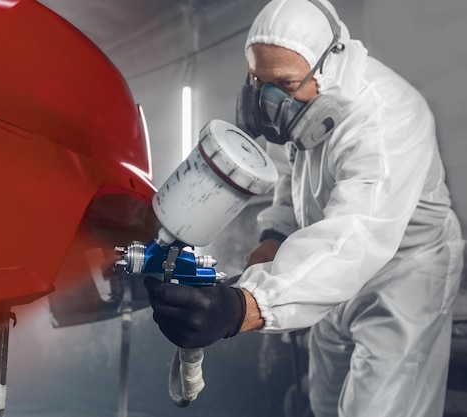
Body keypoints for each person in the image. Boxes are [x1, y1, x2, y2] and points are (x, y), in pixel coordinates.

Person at [144, 0, 465, 416]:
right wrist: (275, 235)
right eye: (257, 81)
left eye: (287, 84)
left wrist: (245, 305)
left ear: (328, 67)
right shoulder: (304, 111)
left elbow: (358, 234)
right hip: (325, 268)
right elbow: (296, 175)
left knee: (381, 408)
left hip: (403, 273)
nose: (269, 101)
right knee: (326, 400)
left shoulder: (389, 119)